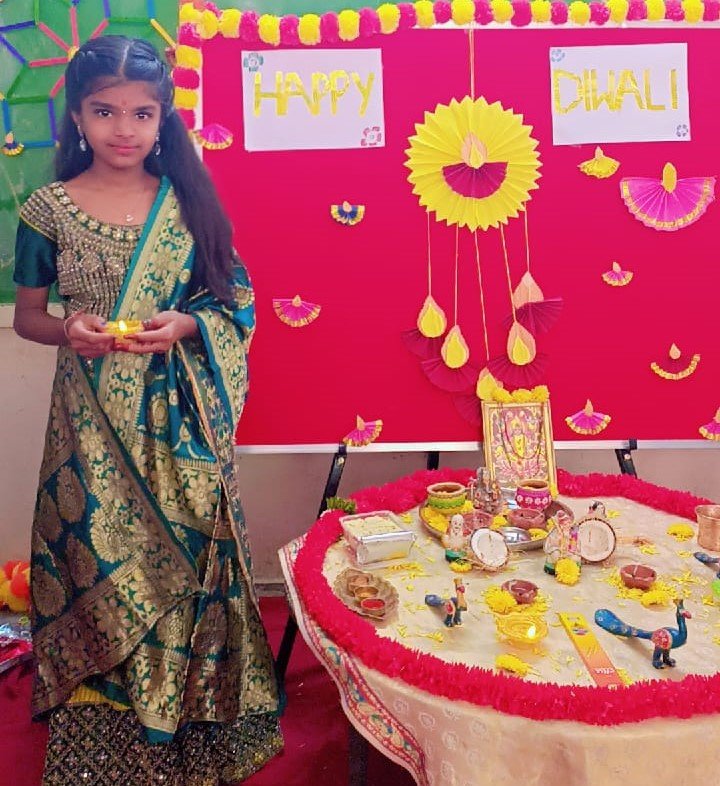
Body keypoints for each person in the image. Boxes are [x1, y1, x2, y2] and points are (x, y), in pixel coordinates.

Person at [12, 35, 282, 786]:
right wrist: (70, 328)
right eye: (104, 111)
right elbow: (27, 318)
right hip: (89, 419)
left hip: (179, 422)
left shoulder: (186, 202)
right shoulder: (47, 209)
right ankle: (103, 730)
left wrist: (188, 324)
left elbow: (235, 299)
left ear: (164, 118)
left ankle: (190, 723)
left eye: (141, 113)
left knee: (190, 554)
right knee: (94, 555)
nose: (123, 129)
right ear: (77, 115)